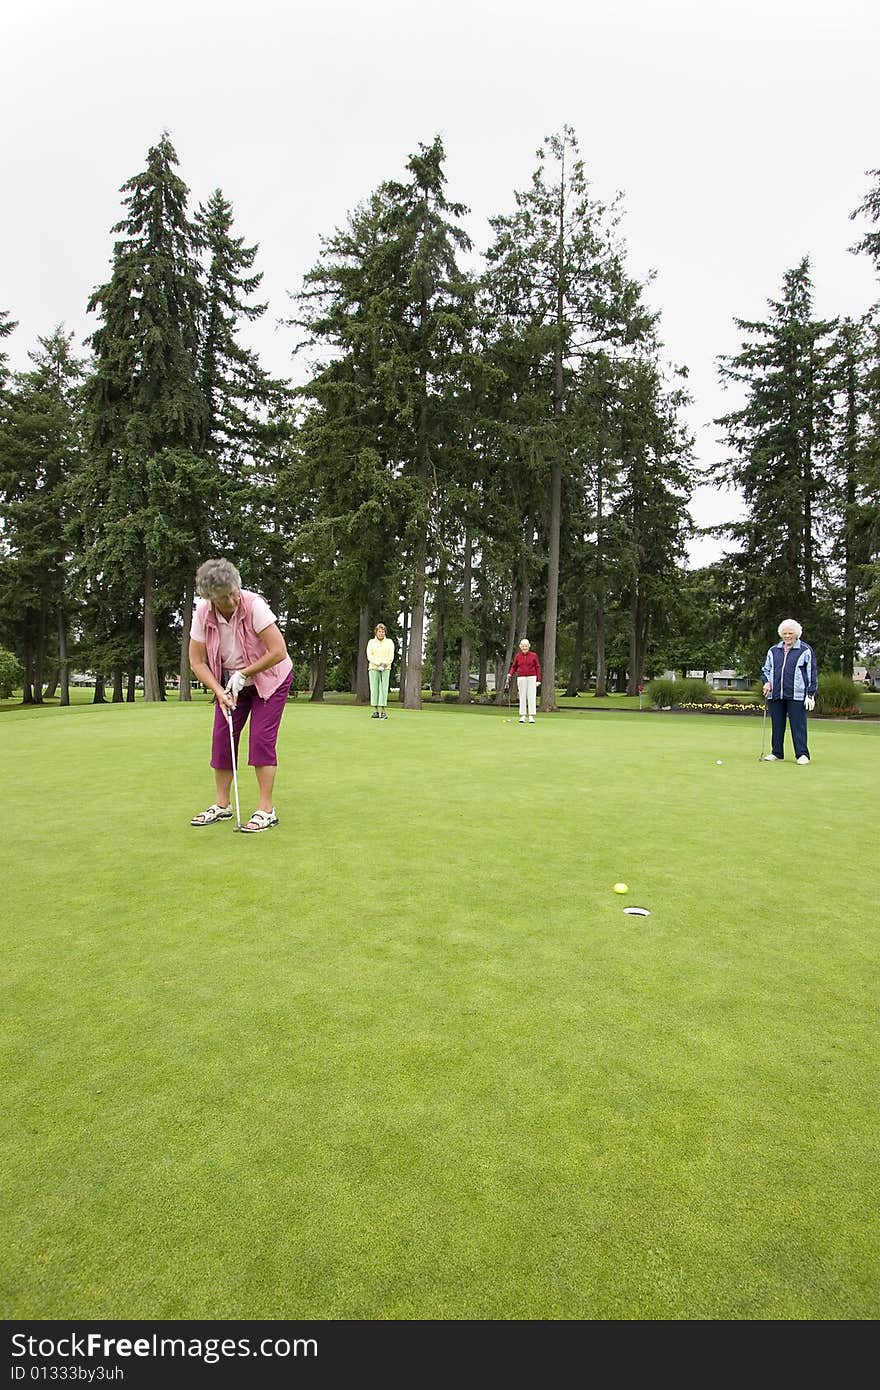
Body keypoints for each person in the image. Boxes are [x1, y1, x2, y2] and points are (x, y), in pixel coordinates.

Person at [188, 559, 293, 831]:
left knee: (260, 739)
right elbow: (197, 662)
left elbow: (278, 651)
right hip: (231, 685)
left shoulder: (254, 606)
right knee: (222, 739)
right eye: (224, 598)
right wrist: (218, 690)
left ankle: (266, 810)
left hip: (270, 678)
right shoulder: (202, 614)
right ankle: (222, 805)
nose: (232, 600)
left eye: (234, 592)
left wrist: (245, 673)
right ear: (210, 599)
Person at [761, 618, 818, 764]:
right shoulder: (773, 650)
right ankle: (777, 752)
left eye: (790, 633)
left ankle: (802, 754)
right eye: (785, 633)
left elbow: (812, 672)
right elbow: (766, 669)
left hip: (797, 694)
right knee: (777, 724)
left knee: (798, 725)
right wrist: (766, 682)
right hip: (776, 693)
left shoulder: (805, 650)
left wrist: (810, 694)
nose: (787, 636)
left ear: (796, 634)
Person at [507, 638, 542, 723]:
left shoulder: (534, 655)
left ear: (529, 646)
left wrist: (538, 679)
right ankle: (522, 715)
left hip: (532, 677)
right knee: (522, 696)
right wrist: (510, 673)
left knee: (531, 696)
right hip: (521, 677)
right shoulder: (518, 656)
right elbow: (514, 666)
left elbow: (537, 667)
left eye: (526, 646)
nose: (524, 647)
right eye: (523, 646)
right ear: (520, 646)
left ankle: (531, 716)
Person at [366, 623, 395, 719]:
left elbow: (391, 656)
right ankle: (375, 710)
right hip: (374, 668)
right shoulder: (371, 642)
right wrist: (378, 663)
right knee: (374, 689)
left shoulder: (389, 642)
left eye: (383, 631)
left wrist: (385, 663)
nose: (381, 633)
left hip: (386, 668)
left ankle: (383, 710)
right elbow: (369, 656)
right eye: (379, 631)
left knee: (383, 689)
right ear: (376, 632)